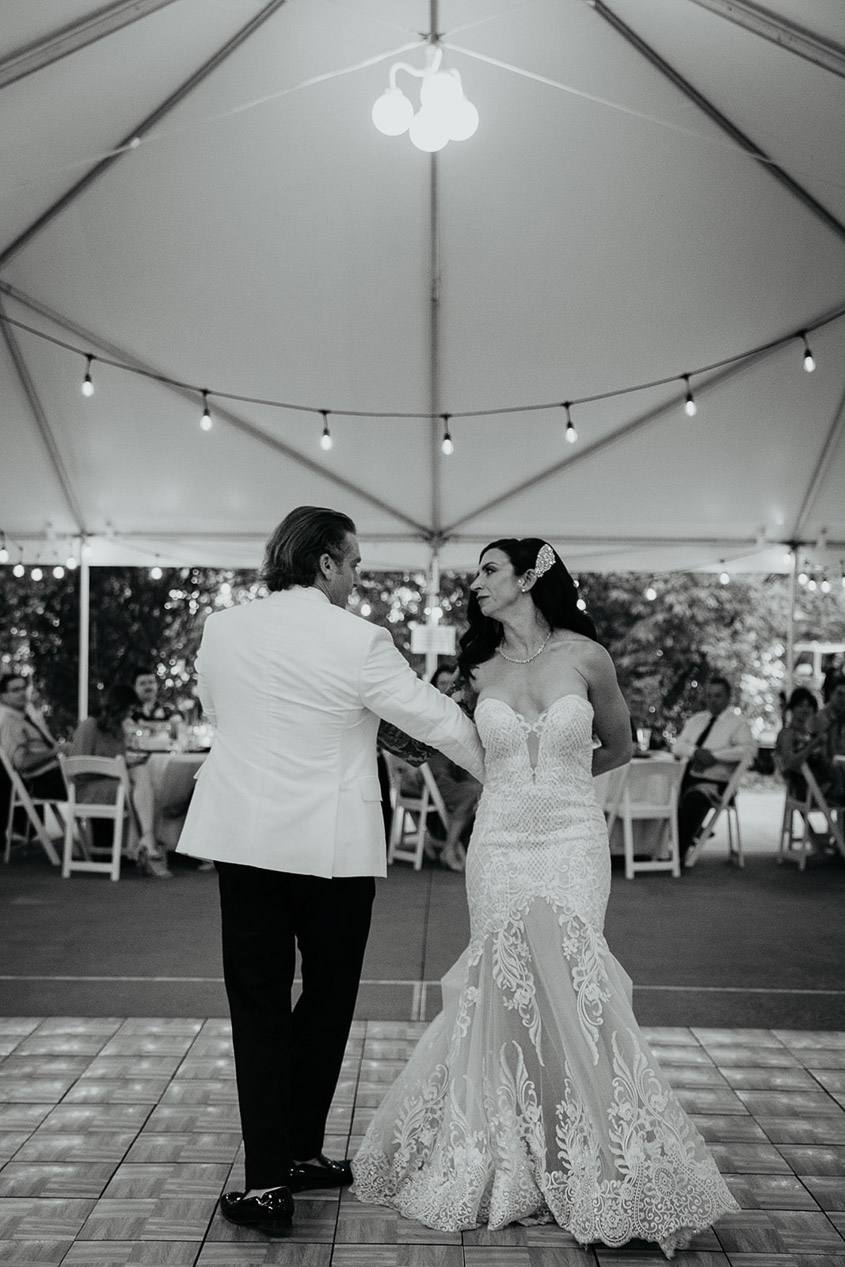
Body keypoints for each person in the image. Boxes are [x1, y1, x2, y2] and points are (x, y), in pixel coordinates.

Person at [352, 538, 737, 1257]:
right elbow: (456, 749)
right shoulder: (475, 669)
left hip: (569, 839)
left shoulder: (586, 656)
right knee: (504, 983)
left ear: (530, 576)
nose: (475, 582)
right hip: (497, 843)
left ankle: (584, 1151)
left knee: (576, 982)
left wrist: (556, 776)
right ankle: (507, 1151)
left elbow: (618, 746)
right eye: (475, 572)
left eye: (488, 569)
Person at [175, 506, 484, 1236]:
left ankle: (271, 1175)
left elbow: (219, 710)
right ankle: (293, 1152)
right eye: (353, 564)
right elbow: (434, 719)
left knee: (256, 1002)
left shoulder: (223, 629)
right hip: (333, 848)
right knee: (329, 994)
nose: (355, 578)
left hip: (245, 841)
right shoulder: (358, 639)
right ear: (324, 564)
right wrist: (510, 768)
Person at [69, 683, 172, 878]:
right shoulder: (89, 726)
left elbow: (118, 758)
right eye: (129, 710)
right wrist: (115, 766)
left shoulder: (117, 729)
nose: (130, 715)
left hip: (113, 783)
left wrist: (124, 763)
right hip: (89, 788)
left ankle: (146, 841)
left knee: (145, 779)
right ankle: (148, 843)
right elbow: (77, 768)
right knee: (144, 785)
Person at [672, 676, 757, 863]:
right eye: (709, 695)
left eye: (718, 696)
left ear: (728, 697)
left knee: (694, 799)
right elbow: (678, 746)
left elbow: (748, 751)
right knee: (661, 793)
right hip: (687, 774)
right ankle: (652, 849)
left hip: (716, 782)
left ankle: (678, 854)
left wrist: (715, 756)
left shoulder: (737, 724)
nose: (712, 700)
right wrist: (695, 752)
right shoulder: (697, 720)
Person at [424, 662, 482, 871]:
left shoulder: (463, 711)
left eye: (450, 683)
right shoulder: (428, 711)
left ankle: (448, 844)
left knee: (481, 787)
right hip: (433, 775)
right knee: (473, 791)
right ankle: (449, 847)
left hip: (457, 770)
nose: (446, 688)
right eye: (441, 683)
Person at [0, 672, 67, 801]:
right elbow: (22, 763)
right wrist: (55, 752)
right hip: (42, 782)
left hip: (55, 776)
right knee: (98, 785)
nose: (22, 693)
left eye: (23, 688)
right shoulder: (10, 723)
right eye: (15, 690)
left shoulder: (24, 718)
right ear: (3, 697)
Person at [811, 673, 845, 804]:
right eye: (840, 694)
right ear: (831, 693)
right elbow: (822, 756)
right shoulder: (821, 718)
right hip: (825, 779)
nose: (843, 699)